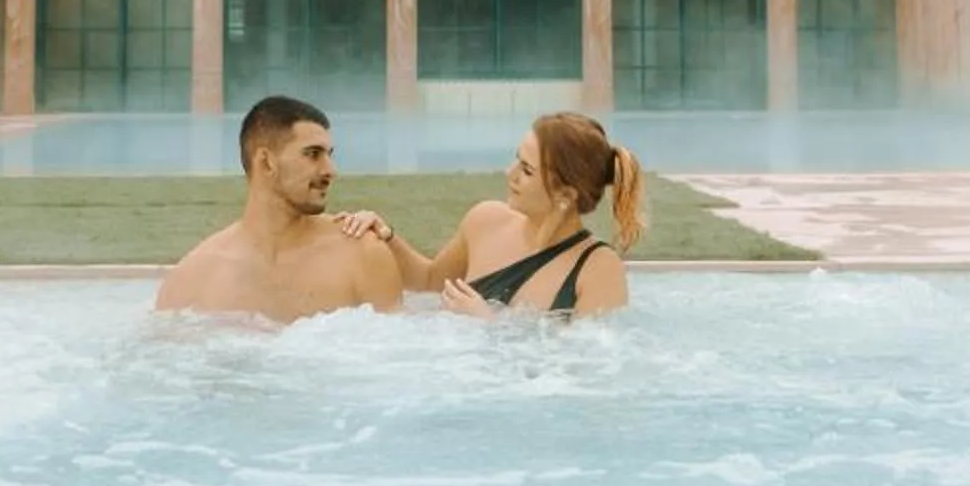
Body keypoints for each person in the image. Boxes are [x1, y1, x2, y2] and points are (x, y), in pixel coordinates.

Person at [343, 111, 643, 317]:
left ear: (565, 195)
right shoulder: (485, 220)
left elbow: (584, 372)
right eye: (516, 161)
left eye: (526, 171)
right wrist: (386, 236)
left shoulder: (598, 269)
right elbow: (429, 281)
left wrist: (490, 327)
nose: (509, 174)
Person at [154, 96, 403, 323]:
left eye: (329, 154)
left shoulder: (362, 255)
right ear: (266, 162)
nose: (330, 170)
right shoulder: (192, 280)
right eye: (313, 154)